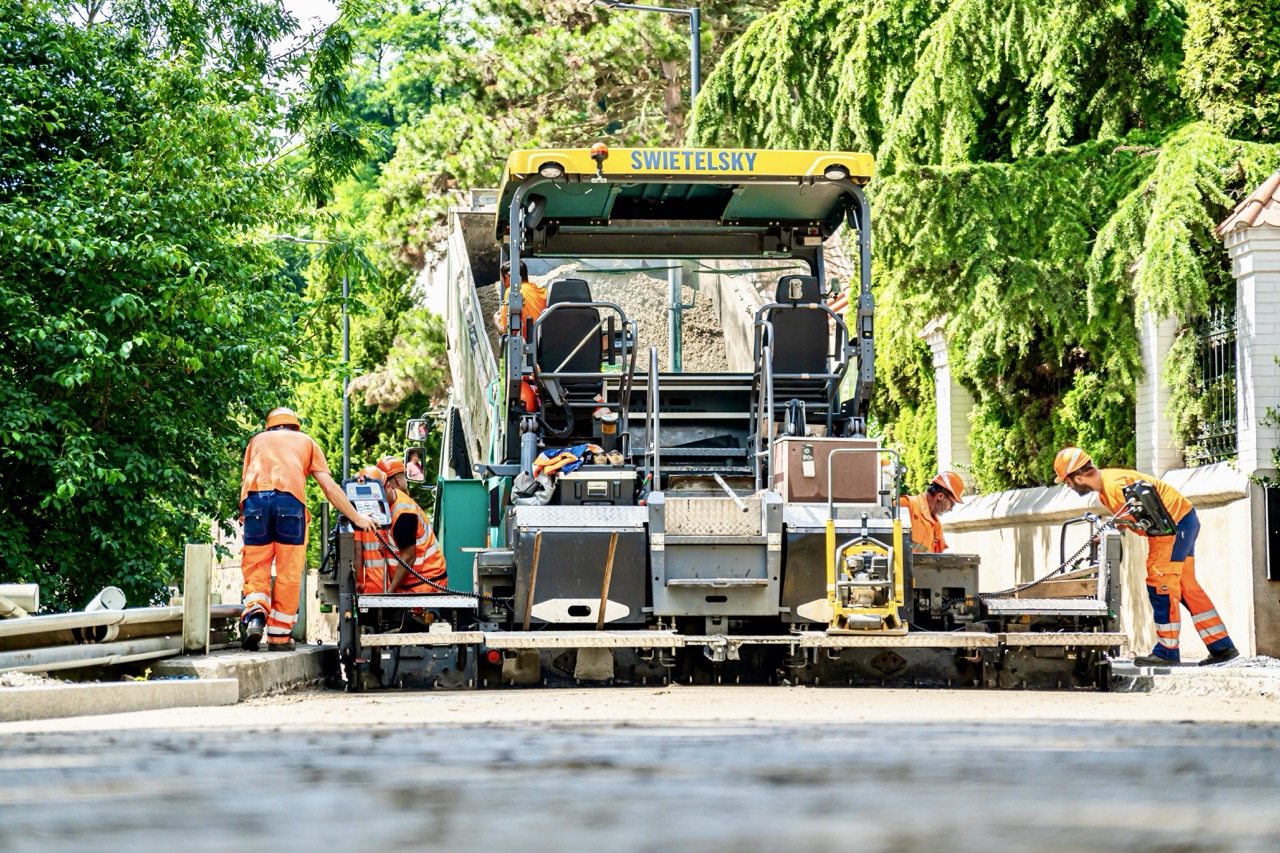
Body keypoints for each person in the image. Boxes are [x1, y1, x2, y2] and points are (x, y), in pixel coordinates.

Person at [1054, 446, 1239, 667]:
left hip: (1172, 529)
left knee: (1161, 584)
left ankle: (1167, 652)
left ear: (1078, 476)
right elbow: (1136, 514)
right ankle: (1222, 647)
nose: (1067, 485)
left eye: (1067, 480)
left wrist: (1119, 524)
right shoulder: (1107, 490)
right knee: (1185, 586)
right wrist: (1114, 528)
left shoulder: (1115, 485)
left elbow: (1146, 514)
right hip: (1181, 523)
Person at [239, 407, 376, 651]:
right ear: (295, 425)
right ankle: (279, 637)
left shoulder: (256, 441)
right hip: (289, 505)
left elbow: (245, 480)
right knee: (289, 570)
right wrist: (356, 517)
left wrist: (246, 516)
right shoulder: (307, 442)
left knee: (256, 564)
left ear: (271, 425)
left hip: (254, 504)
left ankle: (256, 614)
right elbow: (329, 487)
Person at [377, 455, 449, 593]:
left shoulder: (402, 511)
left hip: (426, 584)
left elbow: (408, 557)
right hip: (422, 582)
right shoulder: (395, 505)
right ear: (398, 480)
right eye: (405, 477)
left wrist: (390, 592)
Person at [899, 471, 965, 553]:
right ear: (940, 496)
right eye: (952, 504)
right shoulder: (905, 505)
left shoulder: (936, 525)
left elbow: (937, 559)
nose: (951, 509)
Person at [492, 260, 546, 336]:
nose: (503, 284)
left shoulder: (512, 292)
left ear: (507, 278)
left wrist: (496, 321)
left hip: (529, 344)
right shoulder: (544, 291)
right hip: (547, 340)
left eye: (503, 280)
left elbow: (504, 330)